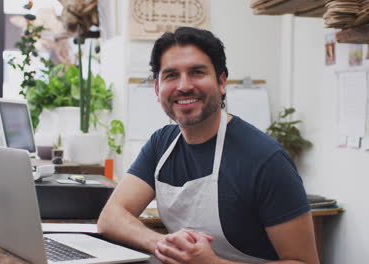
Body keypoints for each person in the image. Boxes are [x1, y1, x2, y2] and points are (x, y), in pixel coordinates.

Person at [97, 27, 319, 264]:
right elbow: (111, 217)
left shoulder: (265, 159)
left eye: (197, 72)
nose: (184, 86)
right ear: (157, 88)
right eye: (171, 75)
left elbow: (305, 262)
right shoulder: (161, 145)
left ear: (222, 81)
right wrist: (161, 243)